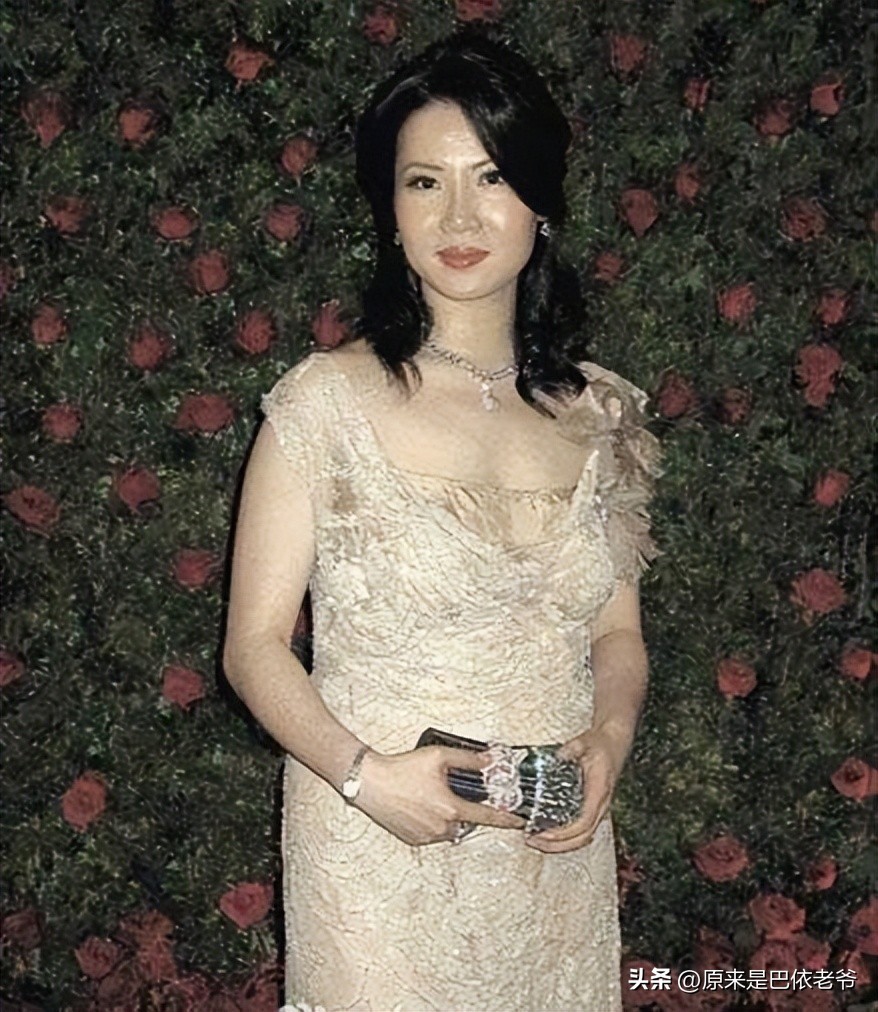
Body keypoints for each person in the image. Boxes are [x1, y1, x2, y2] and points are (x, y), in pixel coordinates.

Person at [223, 27, 662, 1012]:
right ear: (390, 210)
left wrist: (608, 743)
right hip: (374, 846)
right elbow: (252, 648)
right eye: (425, 182)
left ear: (540, 202)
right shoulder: (324, 404)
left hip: (553, 856)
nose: (458, 215)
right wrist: (363, 778)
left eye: (491, 177)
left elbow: (617, 634)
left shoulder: (599, 415)